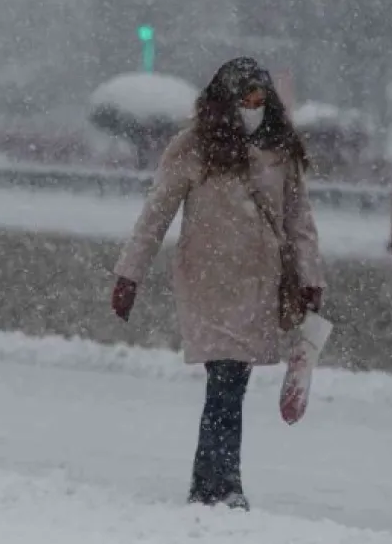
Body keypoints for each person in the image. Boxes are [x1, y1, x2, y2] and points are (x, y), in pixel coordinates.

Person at [110, 57, 325, 511]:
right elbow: (156, 214)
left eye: (260, 99)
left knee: (230, 382)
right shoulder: (193, 148)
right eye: (245, 99)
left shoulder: (281, 149)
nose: (253, 107)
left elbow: (299, 219)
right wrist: (129, 274)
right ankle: (223, 484)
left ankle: (210, 484)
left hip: (257, 283)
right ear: (225, 101)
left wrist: (310, 278)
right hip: (207, 279)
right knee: (226, 379)